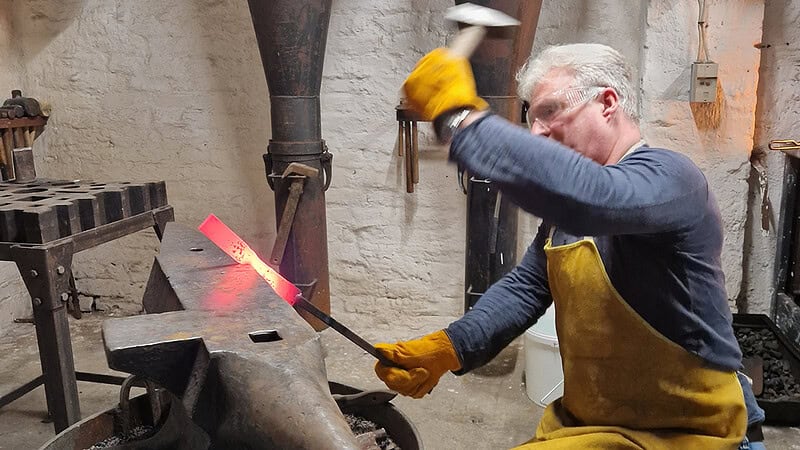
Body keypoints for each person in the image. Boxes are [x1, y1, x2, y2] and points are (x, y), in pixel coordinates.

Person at [374, 43, 767, 449]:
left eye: (550, 111)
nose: (538, 131)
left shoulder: (671, 179)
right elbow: (527, 287)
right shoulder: (567, 212)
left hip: (693, 431)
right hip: (593, 422)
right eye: (532, 119)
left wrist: (461, 119)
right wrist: (450, 347)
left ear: (607, 103)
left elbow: (594, 198)